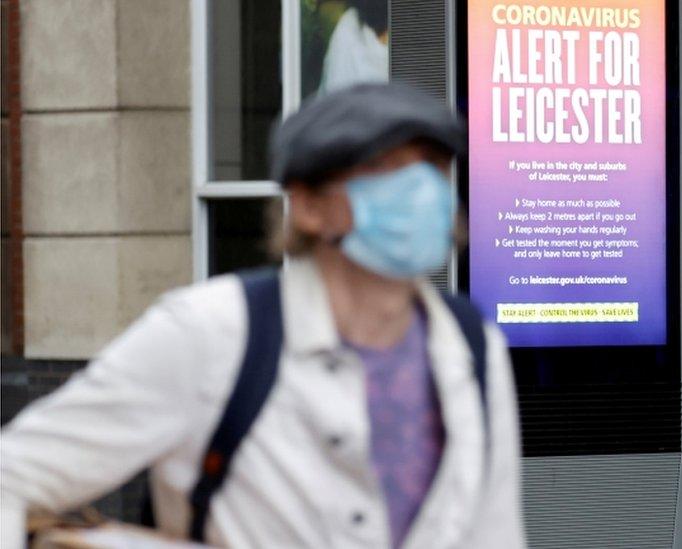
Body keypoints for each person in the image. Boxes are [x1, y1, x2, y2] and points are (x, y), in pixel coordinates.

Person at [1, 83, 525, 549]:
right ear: (308, 207)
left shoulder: (471, 343)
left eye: (432, 168)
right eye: (384, 170)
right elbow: (12, 475)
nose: (423, 194)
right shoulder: (211, 332)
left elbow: (495, 530)